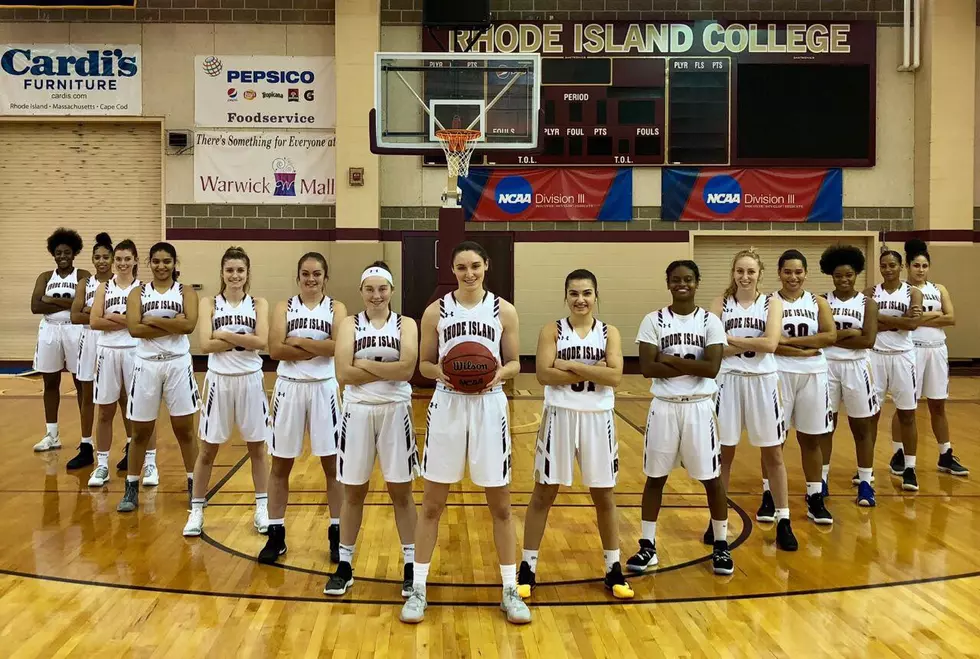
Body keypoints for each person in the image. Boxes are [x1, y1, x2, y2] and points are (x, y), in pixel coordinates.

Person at [400, 240, 530, 625]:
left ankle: (510, 590)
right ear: (452, 270)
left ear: (486, 266)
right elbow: (424, 364)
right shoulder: (434, 312)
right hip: (447, 405)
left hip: (489, 406)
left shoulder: (503, 310)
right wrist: (448, 373)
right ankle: (418, 589)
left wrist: (492, 375)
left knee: (501, 506)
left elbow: (515, 364)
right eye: (461, 268)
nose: (468, 273)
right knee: (432, 505)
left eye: (475, 266)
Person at [518, 269, 633, 600]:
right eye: (574, 293)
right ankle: (528, 566)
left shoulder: (609, 332)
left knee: (604, 495)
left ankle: (613, 568)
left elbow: (615, 377)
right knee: (543, 493)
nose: (580, 299)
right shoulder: (550, 330)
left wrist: (568, 366)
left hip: (599, 418)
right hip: (560, 416)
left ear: (596, 296)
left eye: (586, 293)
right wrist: (594, 369)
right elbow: (542, 374)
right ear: (565, 296)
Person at [625, 260, 734, 577]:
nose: (682, 284)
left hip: (700, 407)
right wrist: (686, 365)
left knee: (711, 479)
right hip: (665, 406)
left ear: (697, 282)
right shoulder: (653, 320)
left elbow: (711, 368)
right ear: (668, 283)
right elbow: (647, 368)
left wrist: (667, 358)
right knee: (655, 478)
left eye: (688, 279)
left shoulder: (710, 321)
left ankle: (721, 546)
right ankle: (648, 546)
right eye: (676, 279)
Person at [323, 261, 420, 598]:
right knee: (353, 492)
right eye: (370, 289)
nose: (376, 295)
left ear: (391, 291)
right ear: (361, 292)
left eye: (382, 289)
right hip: (357, 412)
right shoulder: (349, 324)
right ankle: (345, 565)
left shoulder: (406, 324)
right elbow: (343, 375)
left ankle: (411, 566)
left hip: (396, 412)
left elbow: (407, 369)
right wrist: (385, 369)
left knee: (401, 493)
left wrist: (362, 364)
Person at [259, 252, 346, 565]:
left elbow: (338, 346)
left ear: (325, 277)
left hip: (324, 388)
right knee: (280, 465)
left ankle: (337, 535)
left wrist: (298, 343)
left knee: (332, 467)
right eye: (306, 274)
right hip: (289, 389)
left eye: (317, 274)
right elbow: (275, 349)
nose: (311, 279)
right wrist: (315, 348)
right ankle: (276, 535)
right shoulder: (285, 306)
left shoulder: (337, 308)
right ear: (298, 277)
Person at [709, 249, 797, 551]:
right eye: (740, 271)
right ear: (733, 273)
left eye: (751, 271)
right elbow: (714, 348)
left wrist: (731, 340)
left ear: (760, 274)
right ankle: (717, 522)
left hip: (763, 383)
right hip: (729, 382)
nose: (745, 277)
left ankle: (784, 519)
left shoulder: (772, 302)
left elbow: (771, 344)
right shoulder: (720, 303)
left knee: (773, 454)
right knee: (724, 454)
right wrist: (751, 343)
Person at [184, 247, 271, 537]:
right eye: (230, 270)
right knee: (208, 449)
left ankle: (262, 508)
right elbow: (205, 346)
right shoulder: (209, 302)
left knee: (257, 447)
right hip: (219, 381)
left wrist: (222, 335)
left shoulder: (258, 302)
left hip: (250, 380)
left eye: (240, 270)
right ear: (222, 273)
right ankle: (196, 509)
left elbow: (262, 342)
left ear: (248, 274)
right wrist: (241, 340)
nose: (235, 275)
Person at [117, 242, 201, 513]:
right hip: (146, 366)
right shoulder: (137, 293)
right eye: (156, 261)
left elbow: (188, 325)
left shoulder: (185, 291)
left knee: (184, 430)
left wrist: (150, 320)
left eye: (167, 261)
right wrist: (171, 323)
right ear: (149, 263)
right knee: (140, 431)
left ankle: (195, 486)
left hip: (178, 364)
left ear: (175, 263)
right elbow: (133, 329)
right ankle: (131, 487)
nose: (162, 266)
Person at [770, 250, 837, 524]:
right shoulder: (769, 302)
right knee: (774, 441)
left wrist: (789, 344)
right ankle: (769, 495)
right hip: (778, 373)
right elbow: (770, 340)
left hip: (813, 374)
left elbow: (830, 335)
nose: (793, 277)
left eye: (798, 272)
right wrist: (804, 346)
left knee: (811, 439)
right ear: (779, 273)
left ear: (806, 273)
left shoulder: (817, 301)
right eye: (787, 271)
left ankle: (814, 496)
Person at [86, 239, 153, 488]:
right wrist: (127, 320)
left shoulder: (143, 289)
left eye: (127, 259)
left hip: (135, 352)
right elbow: (94, 322)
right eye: (119, 260)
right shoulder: (104, 287)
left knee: (141, 411)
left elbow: (144, 323)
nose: (123, 264)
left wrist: (111, 317)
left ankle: (150, 462)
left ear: (135, 260)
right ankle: (102, 464)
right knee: (104, 410)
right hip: (107, 352)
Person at [819, 244, 880, 507]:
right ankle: (820, 481)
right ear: (831, 276)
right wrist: (846, 334)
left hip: (857, 367)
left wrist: (833, 338)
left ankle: (865, 482)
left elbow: (868, 340)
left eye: (849, 275)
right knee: (824, 427)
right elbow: (821, 338)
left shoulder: (868, 303)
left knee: (862, 427)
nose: (844, 280)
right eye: (838, 276)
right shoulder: (820, 301)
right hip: (826, 367)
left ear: (857, 274)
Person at [904, 240, 968, 477]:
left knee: (938, 404)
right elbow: (907, 321)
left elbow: (950, 318)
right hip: (912, 349)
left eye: (924, 265)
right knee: (906, 406)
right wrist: (936, 314)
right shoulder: (903, 291)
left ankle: (945, 454)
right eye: (916, 265)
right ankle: (898, 454)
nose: (920, 269)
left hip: (937, 349)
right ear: (907, 268)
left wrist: (922, 317)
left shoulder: (939, 288)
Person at [867, 249, 923, 491]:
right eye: (884, 265)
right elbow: (867, 325)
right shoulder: (870, 293)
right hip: (875, 357)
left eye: (892, 265)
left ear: (901, 267)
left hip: (903, 357)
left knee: (907, 413)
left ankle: (909, 468)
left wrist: (880, 319)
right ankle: (865, 470)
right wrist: (899, 321)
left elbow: (913, 324)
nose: (888, 269)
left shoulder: (914, 292)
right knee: (869, 416)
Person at [31, 228, 90, 453]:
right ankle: (52, 434)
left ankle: (86, 439)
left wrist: (51, 299)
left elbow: (83, 305)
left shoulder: (83, 275)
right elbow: (36, 306)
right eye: (58, 253)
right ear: (53, 254)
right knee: (50, 383)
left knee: (81, 383)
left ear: (74, 253)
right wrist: (69, 302)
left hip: (75, 330)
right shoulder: (46, 276)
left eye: (67, 252)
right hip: (50, 330)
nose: (62, 256)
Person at [66, 233, 114, 470]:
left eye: (106, 257)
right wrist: (101, 314)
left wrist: (91, 310)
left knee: (122, 396)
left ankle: (128, 445)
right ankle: (86, 446)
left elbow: (128, 317)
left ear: (113, 258)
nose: (102, 261)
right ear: (93, 260)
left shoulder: (121, 283)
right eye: (97, 257)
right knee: (86, 394)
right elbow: (75, 316)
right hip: (88, 337)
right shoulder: (85, 283)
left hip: (114, 339)